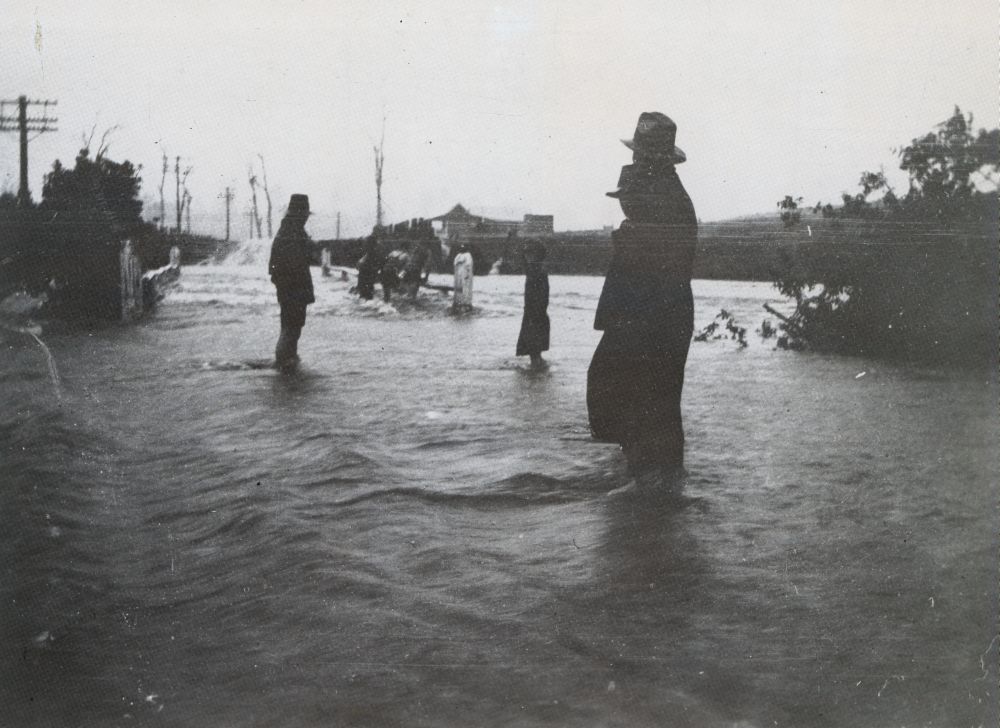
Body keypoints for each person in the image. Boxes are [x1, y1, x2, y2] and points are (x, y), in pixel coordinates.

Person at [586, 112, 697, 490]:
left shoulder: (661, 198)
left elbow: (652, 266)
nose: (633, 160)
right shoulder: (660, 192)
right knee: (643, 399)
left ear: (650, 160)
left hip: (653, 314)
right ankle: (655, 489)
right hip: (653, 312)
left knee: (645, 399)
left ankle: (651, 486)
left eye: (639, 155)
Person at [268, 193, 315, 371]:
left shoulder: (289, 230)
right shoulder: (292, 233)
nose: (306, 218)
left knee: (292, 326)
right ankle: (285, 363)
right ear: (299, 213)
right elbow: (296, 263)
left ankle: (288, 361)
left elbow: (274, 268)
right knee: (291, 327)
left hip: (291, 288)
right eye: (305, 213)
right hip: (294, 288)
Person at [515, 241, 550, 367]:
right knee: (535, 336)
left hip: (535, 309)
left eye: (530, 253)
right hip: (535, 309)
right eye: (526, 253)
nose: (527, 256)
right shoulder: (536, 269)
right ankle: (536, 360)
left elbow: (540, 293)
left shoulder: (535, 270)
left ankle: (536, 360)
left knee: (533, 336)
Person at [356, 235, 384, 300]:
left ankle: (365, 298)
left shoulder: (371, 252)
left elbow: (360, 263)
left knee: (365, 290)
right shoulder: (372, 252)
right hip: (368, 272)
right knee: (367, 290)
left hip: (366, 272)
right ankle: (366, 298)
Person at [452, 243, 474, 311]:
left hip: (465, 274)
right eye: (461, 248)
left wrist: (467, 274)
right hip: (458, 274)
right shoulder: (458, 255)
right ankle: (457, 302)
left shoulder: (468, 255)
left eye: (463, 248)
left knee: (465, 289)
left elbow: (468, 265)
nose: (462, 249)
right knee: (458, 288)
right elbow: (455, 263)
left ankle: (466, 303)